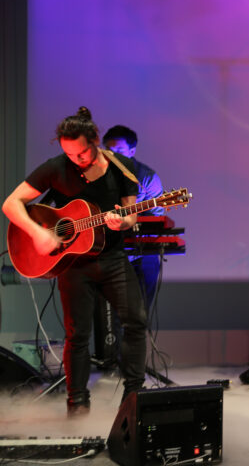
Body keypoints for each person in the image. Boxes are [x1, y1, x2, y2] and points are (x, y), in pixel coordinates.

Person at [2, 107, 147, 416]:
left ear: (95, 140)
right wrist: (38, 233)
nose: (76, 159)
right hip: (73, 264)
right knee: (77, 334)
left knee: (136, 321)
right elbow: (11, 203)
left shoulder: (123, 167)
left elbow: (131, 215)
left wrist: (122, 222)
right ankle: (77, 403)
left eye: (81, 153)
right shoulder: (56, 167)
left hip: (112, 258)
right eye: (69, 154)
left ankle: (134, 395)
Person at [103, 125, 165, 310]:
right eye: (108, 151)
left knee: (139, 310)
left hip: (138, 249)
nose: (113, 156)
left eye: (119, 151)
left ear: (132, 151)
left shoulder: (146, 178)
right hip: (104, 249)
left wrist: (130, 220)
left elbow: (155, 220)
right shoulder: (94, 175)